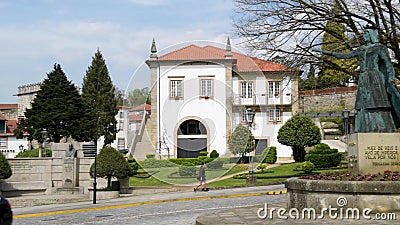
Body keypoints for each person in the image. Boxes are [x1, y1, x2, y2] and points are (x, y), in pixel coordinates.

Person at [314, 28, 400, 133]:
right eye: (364, 34)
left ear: (371, 35)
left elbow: (388, 63)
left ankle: (384, 126)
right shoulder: (361, 49)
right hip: (363, 78)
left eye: (366, 34)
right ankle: (365, 127)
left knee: (378, 102)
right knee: (363, 104)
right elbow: (345, 55)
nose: (364, 36)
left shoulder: (379, 48)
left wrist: (391, 77)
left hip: (375, 77)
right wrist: (327, 52)